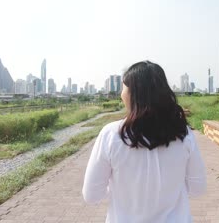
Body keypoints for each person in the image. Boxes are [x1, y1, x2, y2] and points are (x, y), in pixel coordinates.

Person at [82, 61, 206, 223]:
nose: (121, 93)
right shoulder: (184, 134)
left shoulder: (111, 135)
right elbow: (198, 188)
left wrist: (122, 191)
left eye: (124, 87)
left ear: (134, 94)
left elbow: (92, 196)